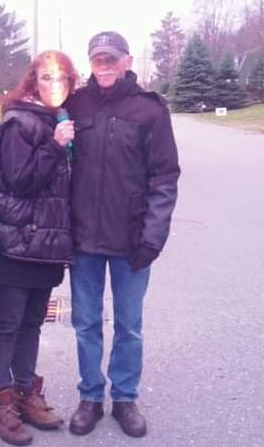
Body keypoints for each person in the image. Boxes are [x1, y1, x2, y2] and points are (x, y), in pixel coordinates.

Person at [64, 31, 180, 438]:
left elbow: (165, 177)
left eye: (112, 58)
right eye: (98, 59)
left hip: (131, 241)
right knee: (86, 324)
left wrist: (152, 237)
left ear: (127, 61)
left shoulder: (150, 110)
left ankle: (125, 398)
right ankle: (90, 397)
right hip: (83, 240)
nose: (105, 65)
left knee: (129, 326)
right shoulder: (75, 104)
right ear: (90, 63)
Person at [0, 50, 77, 446]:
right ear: (33, 82)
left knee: (32, 323)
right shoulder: (19, 121)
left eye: (62, 78)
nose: (55, 84)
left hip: (48, 245)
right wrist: (55, 146)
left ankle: (24, 391)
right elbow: (20, 181)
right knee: (7, 324)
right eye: (46, 77)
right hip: (17, 243)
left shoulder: (58, 119)